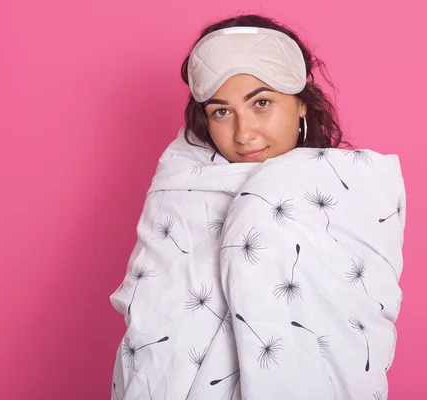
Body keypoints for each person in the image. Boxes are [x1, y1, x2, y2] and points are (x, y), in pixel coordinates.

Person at [110, 14, 406, 400]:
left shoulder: (352, 189)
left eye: (261, 103)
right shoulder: (179, 189)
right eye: (221, 111)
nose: (243, 133)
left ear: (301, 103)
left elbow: (350, 326)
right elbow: (155, 323)